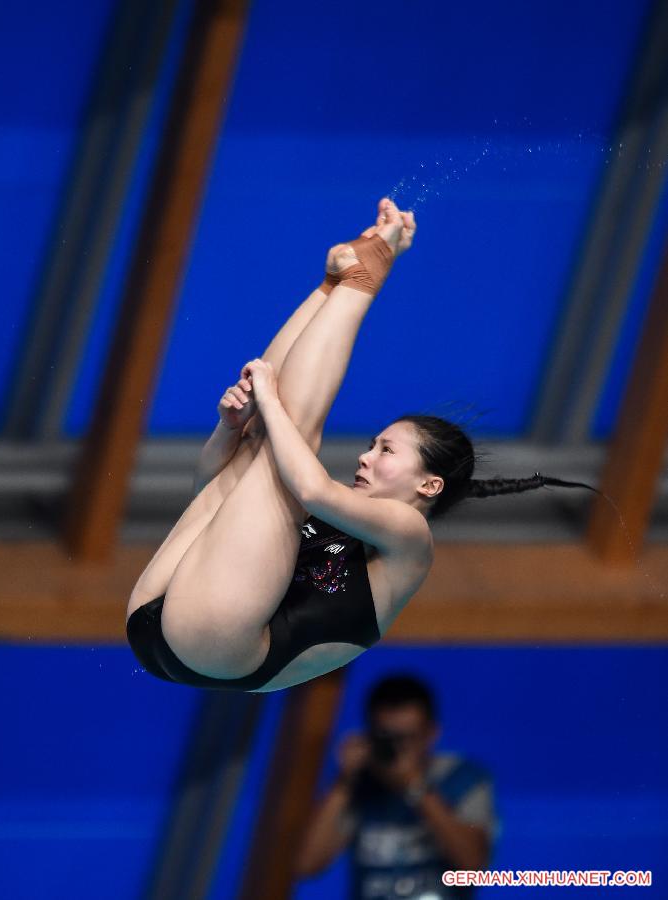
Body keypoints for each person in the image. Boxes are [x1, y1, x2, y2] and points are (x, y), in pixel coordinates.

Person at [126, 196, 594, 692]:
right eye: (373, 445)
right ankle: (336, 283)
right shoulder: (332, 508)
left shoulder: (409, 535)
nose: (365, 456)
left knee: (287, 441)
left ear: (430, 484)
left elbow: (310, 489)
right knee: (259, 441)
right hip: (166, 616)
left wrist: (267, 393)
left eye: (387, 451)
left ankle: (361, 278)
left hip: (218, 643)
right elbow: (209, 490)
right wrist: (230, 425)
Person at [294, 674, 497, 899]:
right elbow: (305, 864)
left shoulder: (463, 779)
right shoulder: (360, 785)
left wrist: (416, 787)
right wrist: (344, 782)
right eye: (388, 738)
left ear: (431, 734)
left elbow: (473, 866)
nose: (398, 750)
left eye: (408, 738)